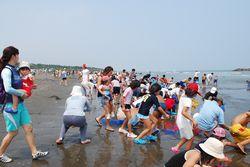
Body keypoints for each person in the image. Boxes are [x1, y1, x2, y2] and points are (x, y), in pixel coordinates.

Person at [0, 46, 48, 163]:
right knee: (13, 132)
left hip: (20, 105)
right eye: (18, 55)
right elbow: (8, 88)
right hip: (10, 106)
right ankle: (0, 154)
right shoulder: (6, 71)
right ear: (13, 56)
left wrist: (30, 86)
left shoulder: (15, 70)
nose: (18, 58)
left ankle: (34, 152)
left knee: (28, 128)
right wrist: (21, 93)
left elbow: (21, 84)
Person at [171, 83, 200, 153]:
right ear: (193, 93)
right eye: (196, 93)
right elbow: (183, 112)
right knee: (191, 138)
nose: (196, 95)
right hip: (183, 121)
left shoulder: (183, 96)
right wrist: (193, 120)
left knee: (187, 136)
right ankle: (186, 154)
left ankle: (176, 147)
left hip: (180, 120)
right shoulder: (188, 100)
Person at [95, 66, 115, 132]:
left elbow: (109, 86)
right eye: (111, 72)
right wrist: (103, 93)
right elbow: (98, 87)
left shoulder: (109, 77)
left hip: (108, 95)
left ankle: (98, 118)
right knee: (107, 111)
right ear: (107, 71)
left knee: (109, 110)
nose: (111, 74)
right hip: (102, 95)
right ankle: (108, 126)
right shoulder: (100, 77)